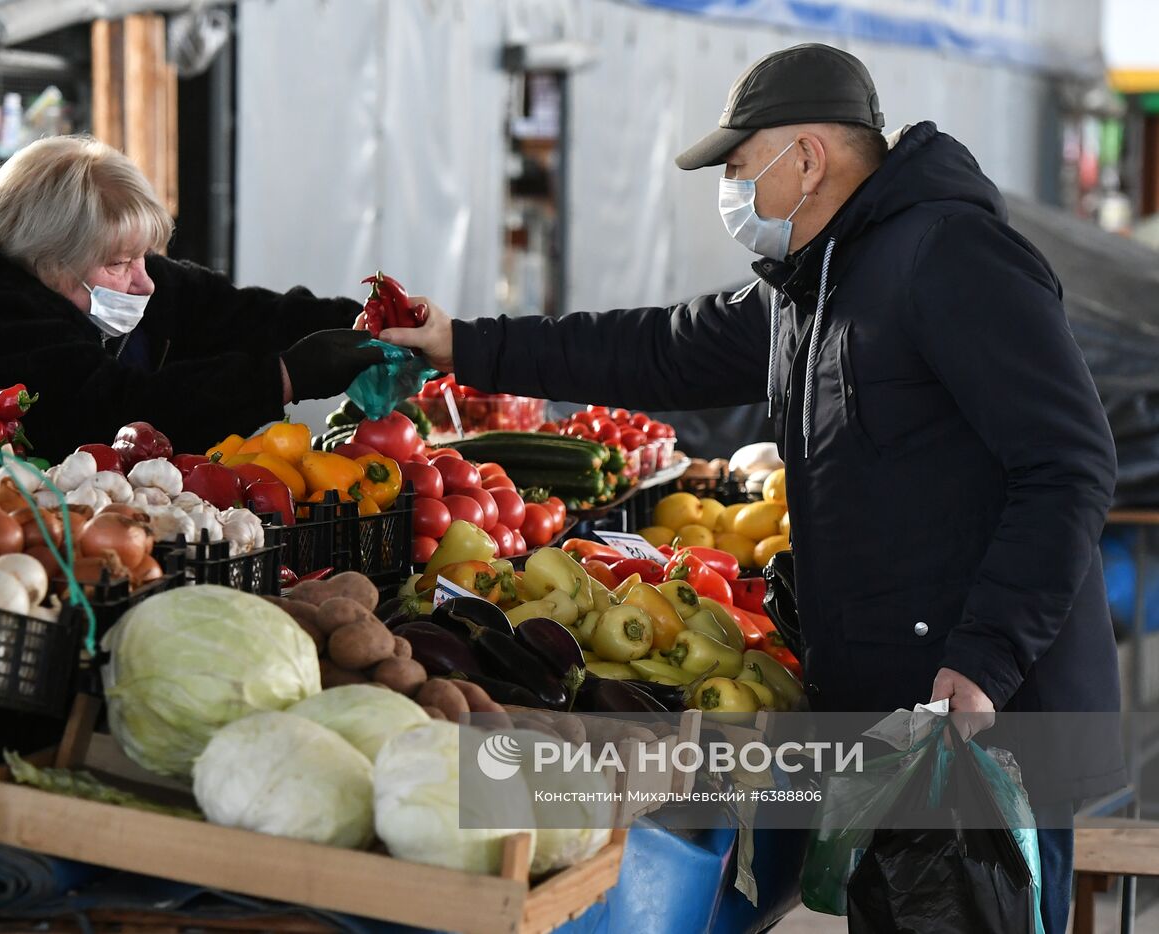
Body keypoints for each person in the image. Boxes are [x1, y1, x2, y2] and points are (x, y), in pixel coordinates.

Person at [385, 44, 1120, 932]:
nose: (734, 191)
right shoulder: (811, 284)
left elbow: (1069, 463)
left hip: (988, 721)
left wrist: (984, 657)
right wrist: (468, 344)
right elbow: (658, 347)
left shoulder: (951, 258)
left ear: (806, 158)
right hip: (899, 718)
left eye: (739, 166)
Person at [0, 135, 383, 459]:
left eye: (142, 257)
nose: (144, 281)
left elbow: (228, 310)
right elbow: (116, 413)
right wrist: (285, 377)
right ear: (49, 263)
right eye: (118, 264)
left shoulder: (79, 265)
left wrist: (369, 322)